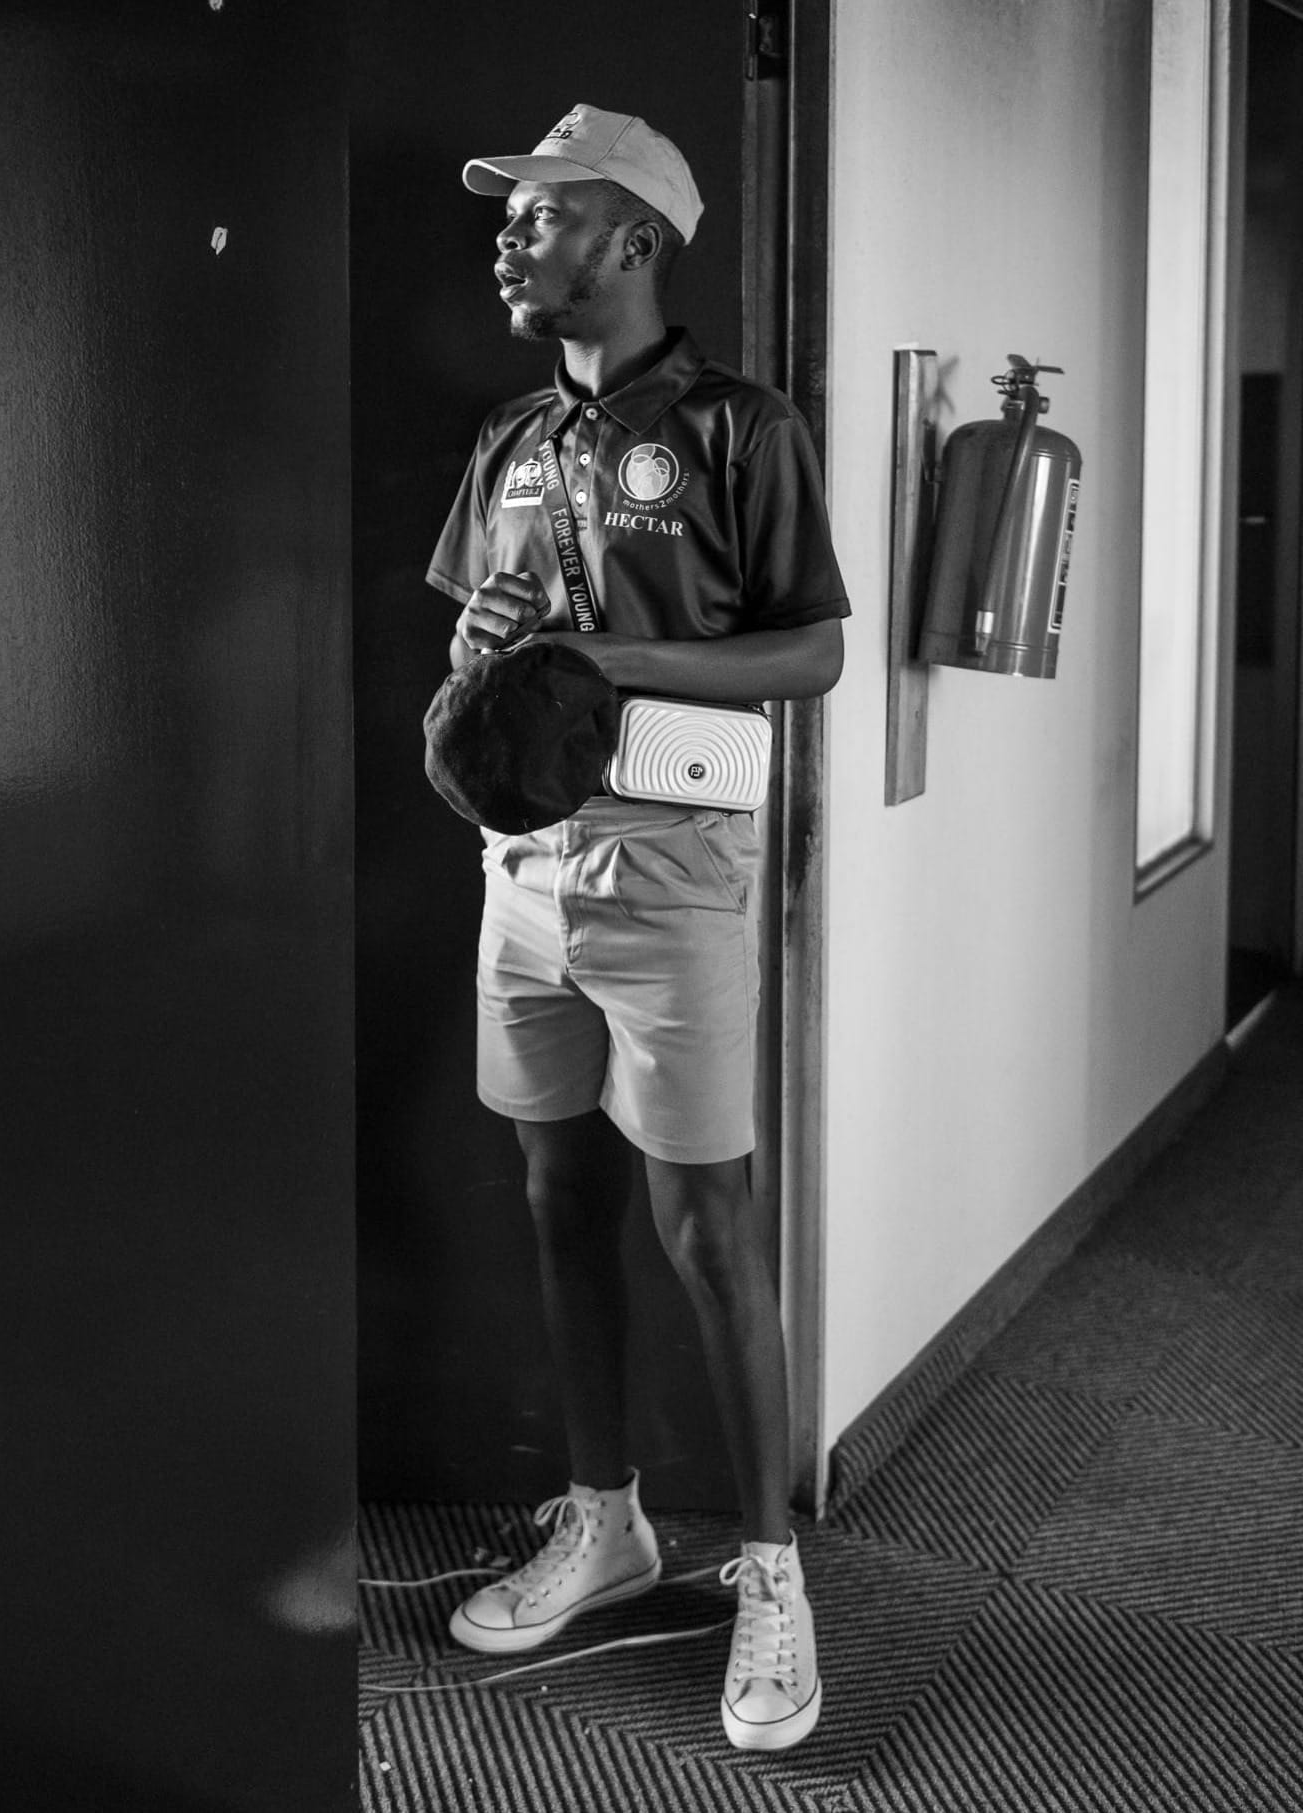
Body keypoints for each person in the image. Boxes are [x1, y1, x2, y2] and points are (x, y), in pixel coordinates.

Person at [425, 103, 848, 1753]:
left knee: (708, 1227)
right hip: (524, 867)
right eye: (514, 212)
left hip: (675, 860)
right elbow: (478, 647)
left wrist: (613, 659)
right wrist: (486, 642)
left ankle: (772, 1571)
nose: (513, 233)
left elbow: (810, 652)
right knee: (557, 1195)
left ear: (636, 241)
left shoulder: (743, 429)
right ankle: (607, 1523)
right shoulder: (510, 436)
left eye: (546, 213)